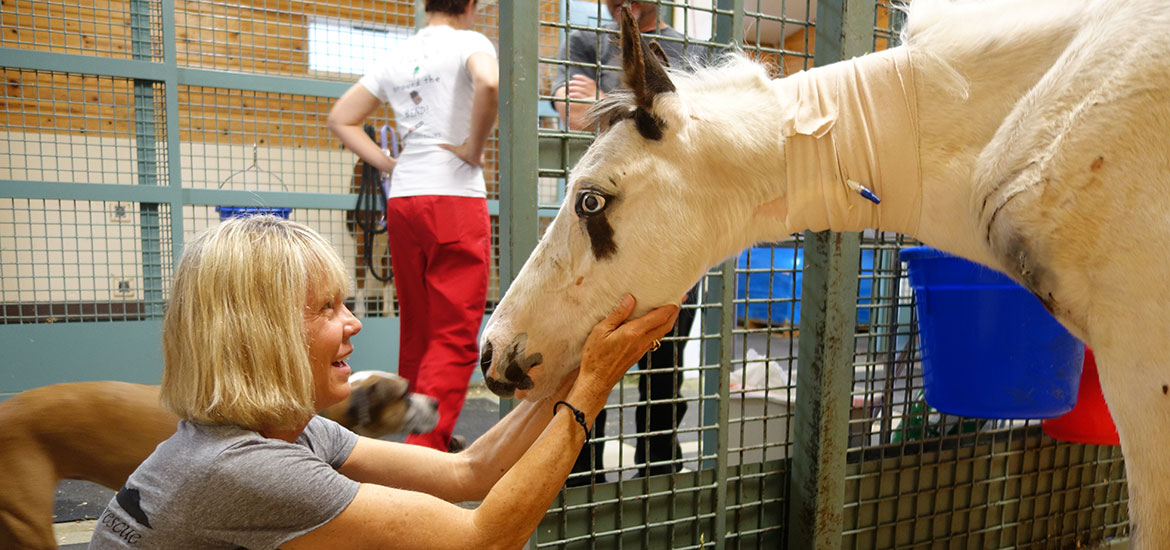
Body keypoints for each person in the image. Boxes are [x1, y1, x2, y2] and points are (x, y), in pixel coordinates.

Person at [88, 215, 680, 549]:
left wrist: (581, 365)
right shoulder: (246, 470)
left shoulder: (281, 432)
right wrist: (591, 391)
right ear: (259, 334)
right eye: (325, 309)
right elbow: (484, 540)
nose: (353, 322)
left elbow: (467, 471)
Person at [328, 0, 498, 452]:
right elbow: (489, 81)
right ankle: (427, 448)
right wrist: (473, 149)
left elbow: (341, 117)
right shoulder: (470, 42)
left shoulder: (396, 56)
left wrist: (387, 163)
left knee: (419, 327)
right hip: (454, 199)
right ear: (472, 5)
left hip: (405, 199)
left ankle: (415, 429)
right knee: (455, 333)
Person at [550, 0, 706, 484]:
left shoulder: (691, 48)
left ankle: (660, 470)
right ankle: (580, 476)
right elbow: (571, 110)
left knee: (666, 360)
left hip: (671, 233)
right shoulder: (583, 40)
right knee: (585, 359)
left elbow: (694, 136)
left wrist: (603, 99)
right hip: (601, 235)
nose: (623, 6)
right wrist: (640, 110)